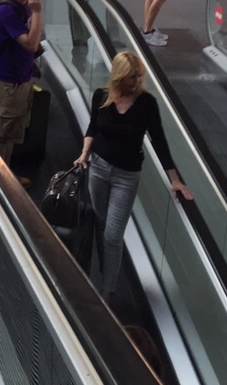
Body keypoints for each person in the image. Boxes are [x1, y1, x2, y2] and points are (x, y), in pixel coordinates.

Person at [73, 51, 193, 296]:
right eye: (132, 77)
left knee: (113, 235)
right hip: (98, 168)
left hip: (126, 176)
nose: (137, 81)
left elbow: (159, 141)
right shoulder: (102, 96)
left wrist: (175, 179)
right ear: (119, 76)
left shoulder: (147, 103)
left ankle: (107, 292)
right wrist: (84, 154)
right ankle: (103, 269)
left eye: (139, 76)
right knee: (101, 222)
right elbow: (93, 128)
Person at [0, 0, 45, 166]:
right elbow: (31, 44)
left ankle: (6, 175)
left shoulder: (20, 5)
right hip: (8, 83)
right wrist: (36, 12)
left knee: (12, 133)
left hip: (21, 78)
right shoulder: (7, 11)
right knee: (1, 134)